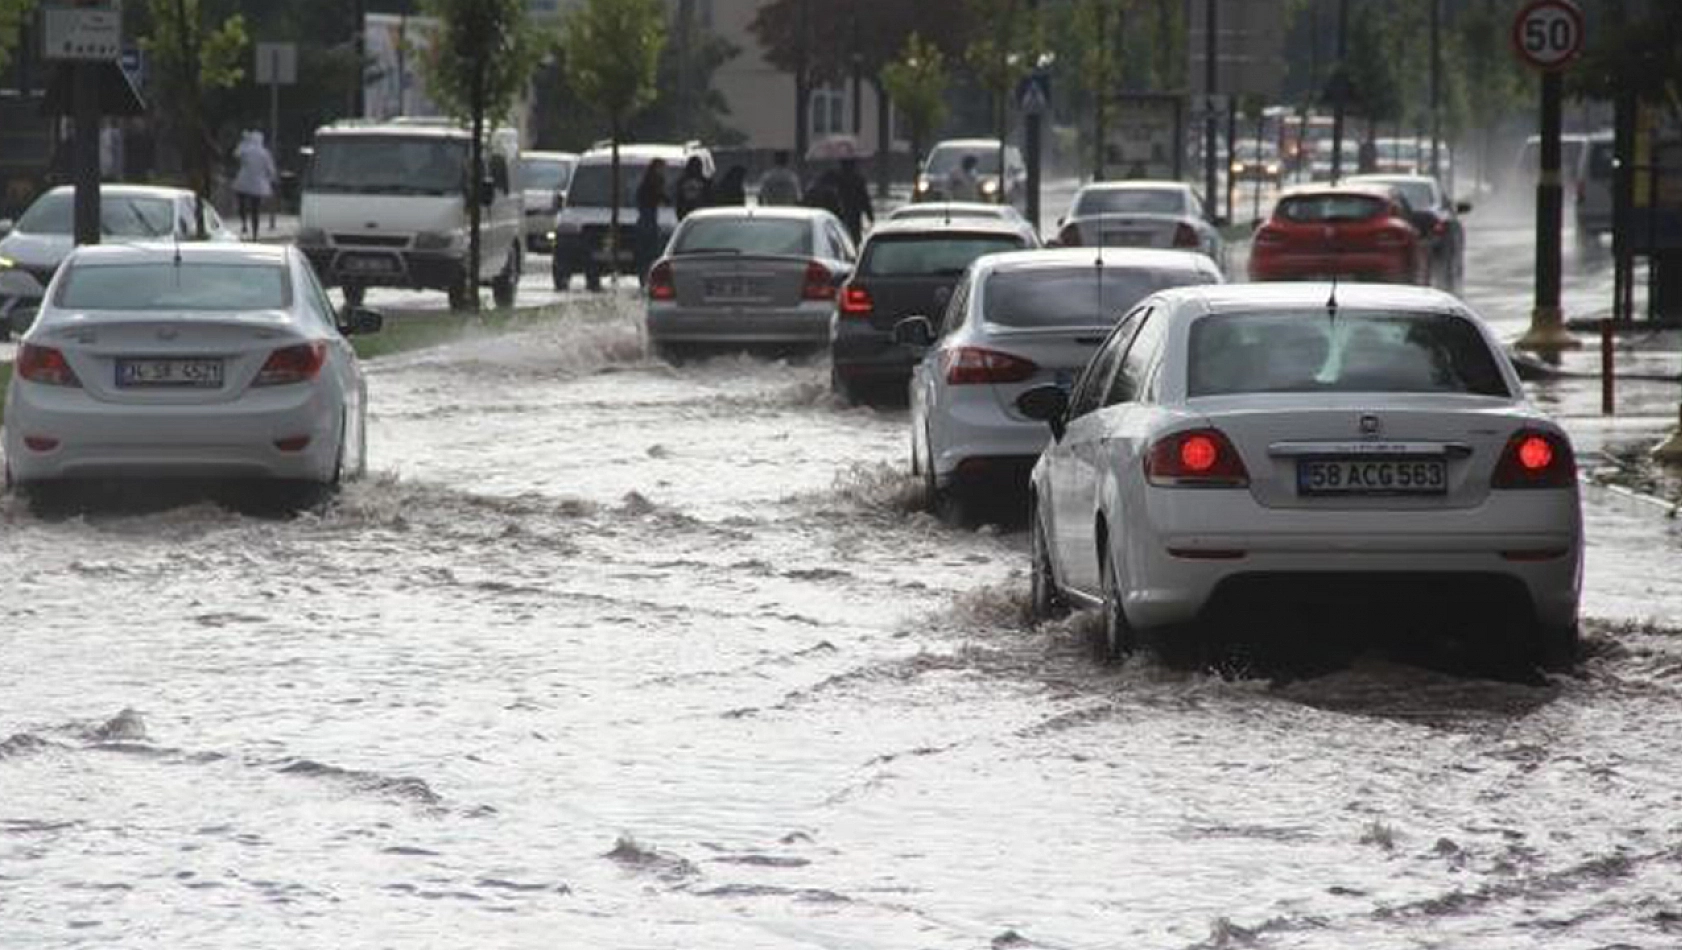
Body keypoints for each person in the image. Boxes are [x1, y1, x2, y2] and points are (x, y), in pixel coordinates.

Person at [231, 129, 277, 240]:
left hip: (243, 182)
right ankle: (255, 234)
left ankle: (244, 223)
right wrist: (272, 180)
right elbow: (270, 169)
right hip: (258, 186)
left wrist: (244, 141)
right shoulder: (265, 153)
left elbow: (235, 154)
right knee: (255, 210)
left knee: (241, 203)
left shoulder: (246, 150)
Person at [634, 158, 669, 285]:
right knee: (651, 249)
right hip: (648, 216)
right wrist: (668, 201)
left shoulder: (646, 180)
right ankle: (648, 277)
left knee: (644, 250)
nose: (664, 171)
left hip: (646, 216)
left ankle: (644, 277)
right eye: (662, 168)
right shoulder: (655, 180)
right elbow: (658, 195)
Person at [835, 156, 874, 244]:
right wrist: (870, 216)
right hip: (853, 214)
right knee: (854, 238)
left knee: (843, 239)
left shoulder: (836, 178)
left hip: (841, 214)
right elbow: (865, 200)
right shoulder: (858, 179)